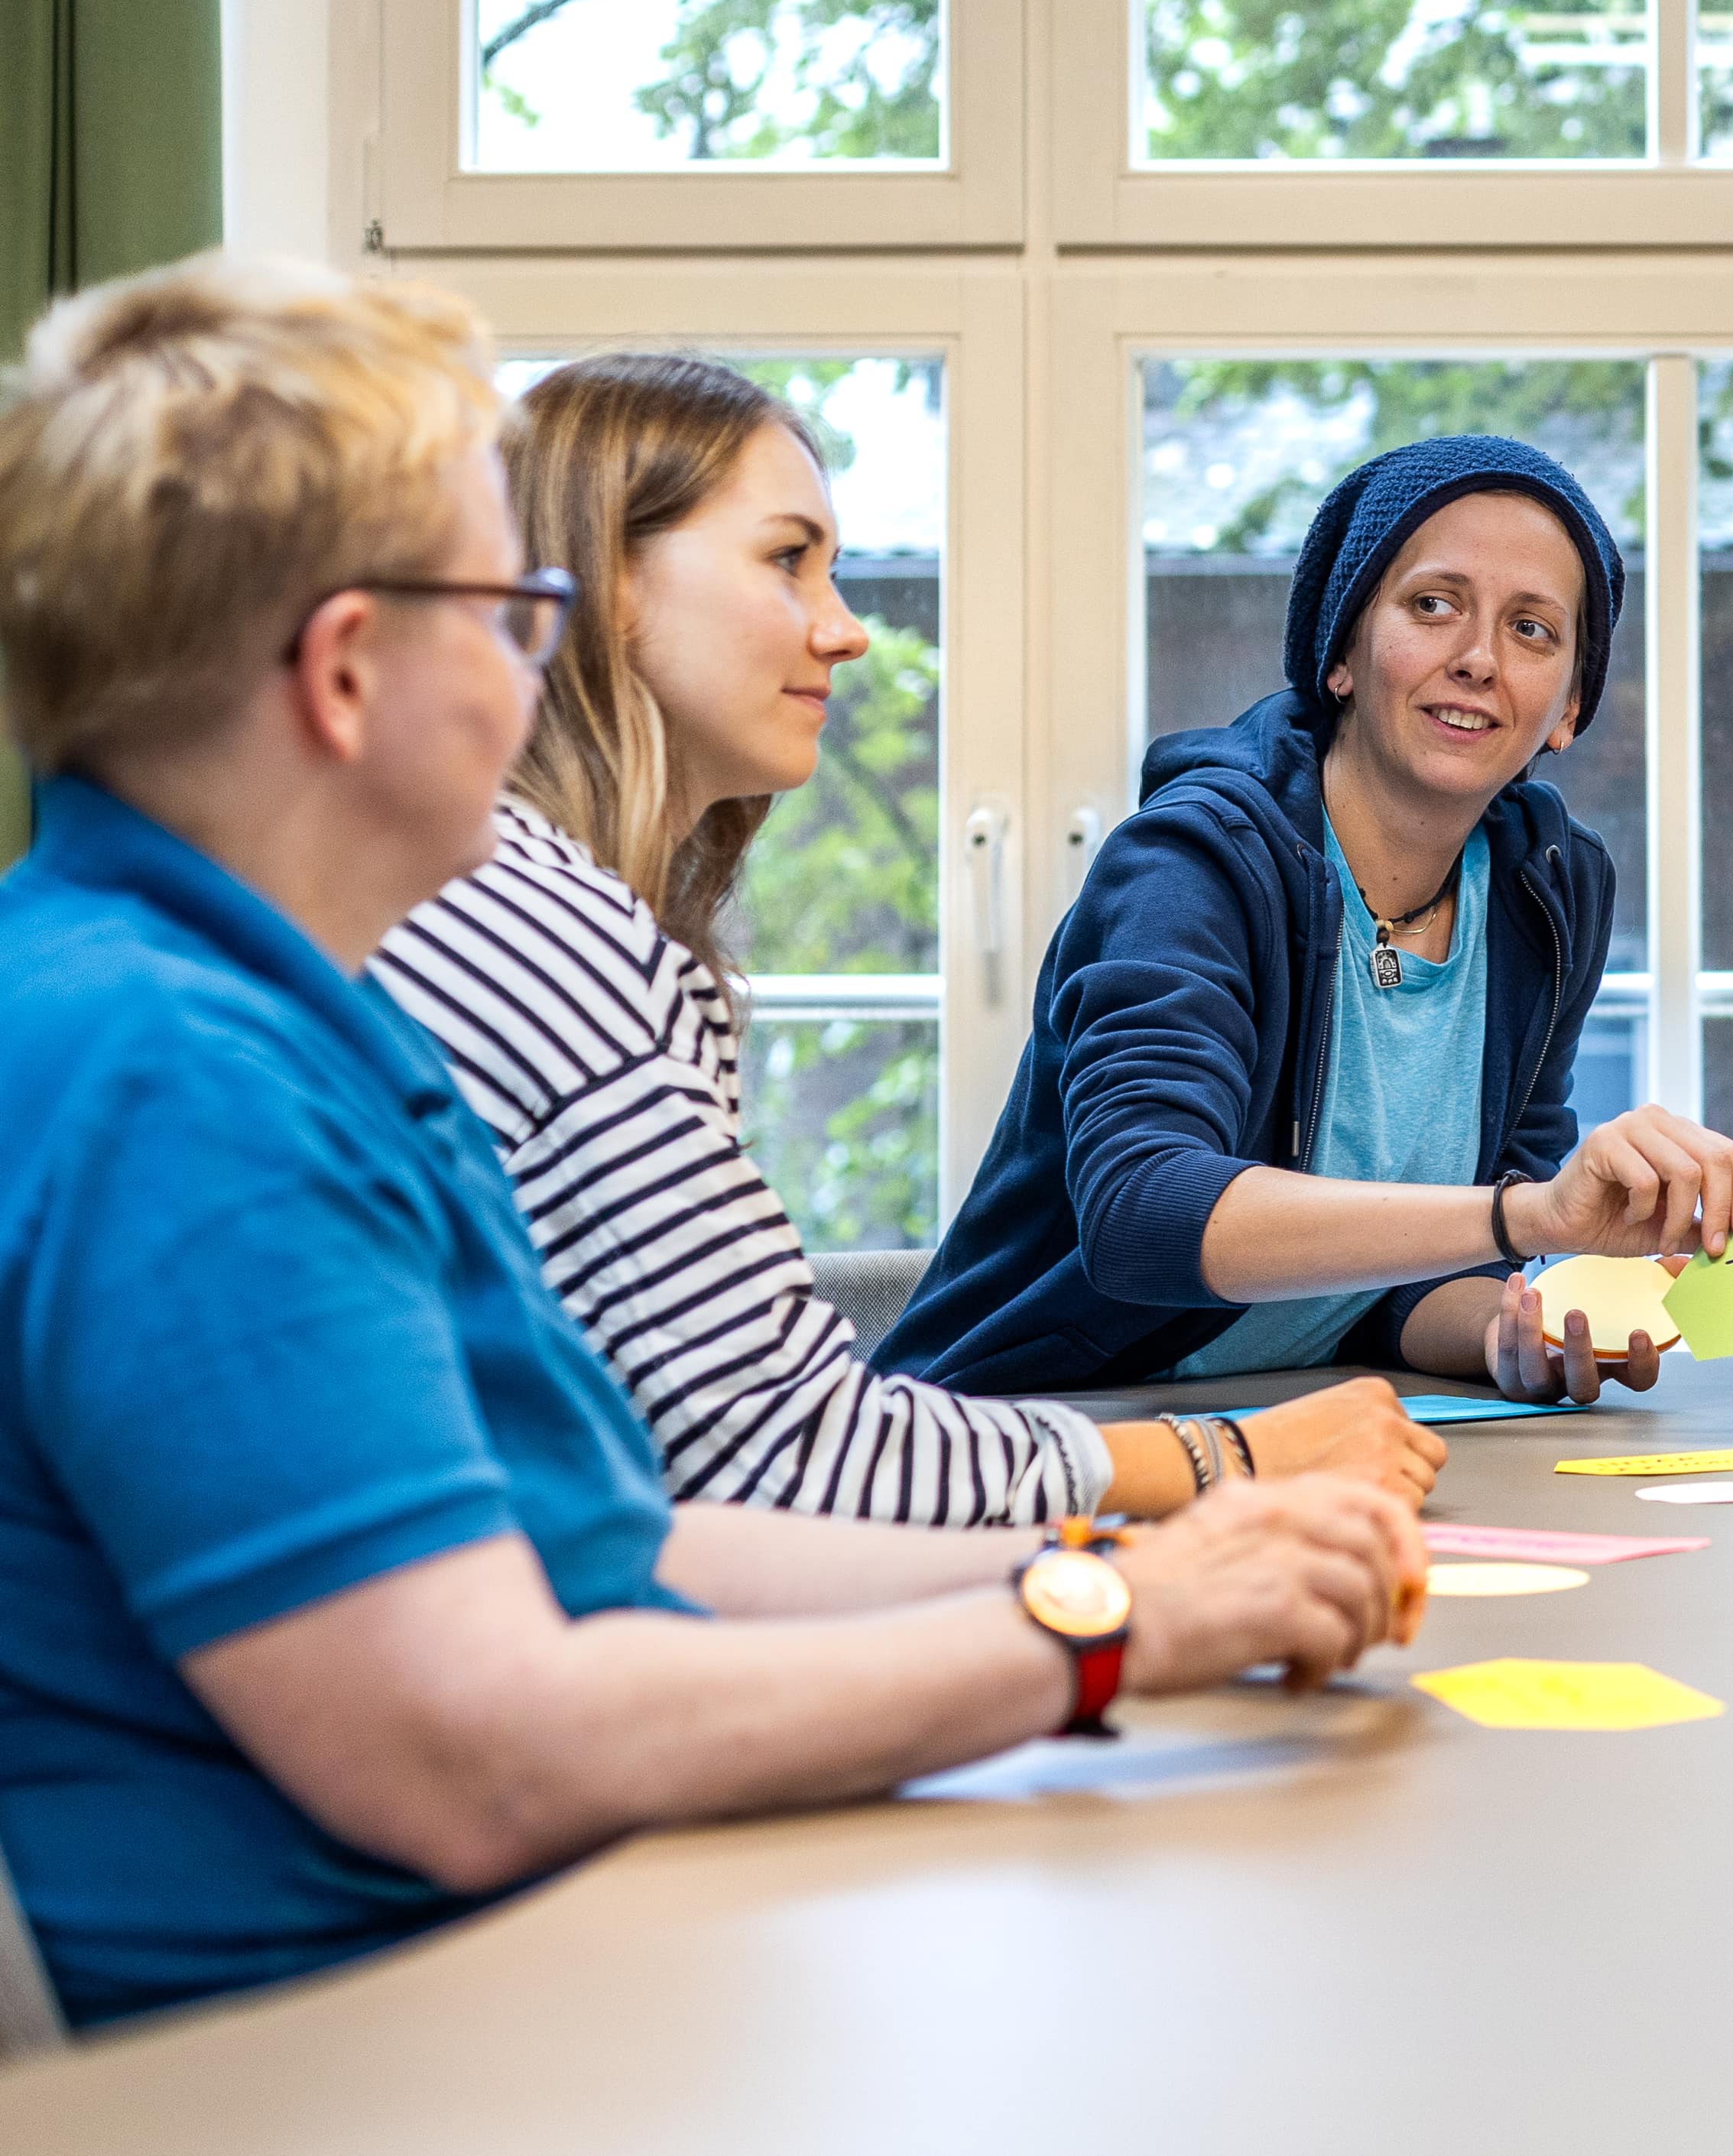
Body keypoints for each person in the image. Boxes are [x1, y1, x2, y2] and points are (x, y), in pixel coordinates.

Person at [0, 256, 1419, 2031]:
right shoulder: (177, 1073)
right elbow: (475, 1754)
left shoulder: (290, 1019)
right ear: (351, 672)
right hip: (366, 2032)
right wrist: (1101, 1630)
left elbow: (640, 1539)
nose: (543, 659)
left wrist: (1121, 1572)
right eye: (512, 607)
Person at [370, 353, 1444, 1524]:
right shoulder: (543, 942)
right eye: (788, 560)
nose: (846, 632)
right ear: (602, 582)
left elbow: (685, 1455)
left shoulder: (546, 917)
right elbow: (783, 1453)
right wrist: (1222, 1461)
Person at [881, 436, 1733, 1404]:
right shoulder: (1192, 863)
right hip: (1033, 1423)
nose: (1476, 659)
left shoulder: (1548, 888)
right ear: (1341, 649)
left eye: (1533, 630)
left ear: (1568, 707)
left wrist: (1518, 1334)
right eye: (1433, 604)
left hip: (1305, 1420)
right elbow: (1142, 1215)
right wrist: (1527, 1217)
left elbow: (1410, 1282)